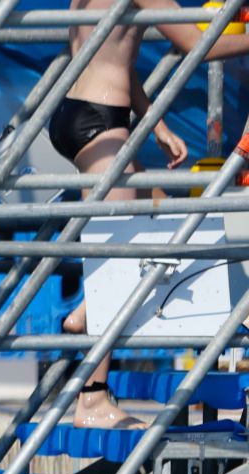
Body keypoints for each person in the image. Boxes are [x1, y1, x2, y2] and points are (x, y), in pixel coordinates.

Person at [51, 0, 249, 428]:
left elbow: (112, 53)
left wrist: (155, 125)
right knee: (116, 258)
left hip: (80, 114)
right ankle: (91, 399)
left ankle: (85, 310)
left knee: (165, 216)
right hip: (101, 125)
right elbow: (200, 46)